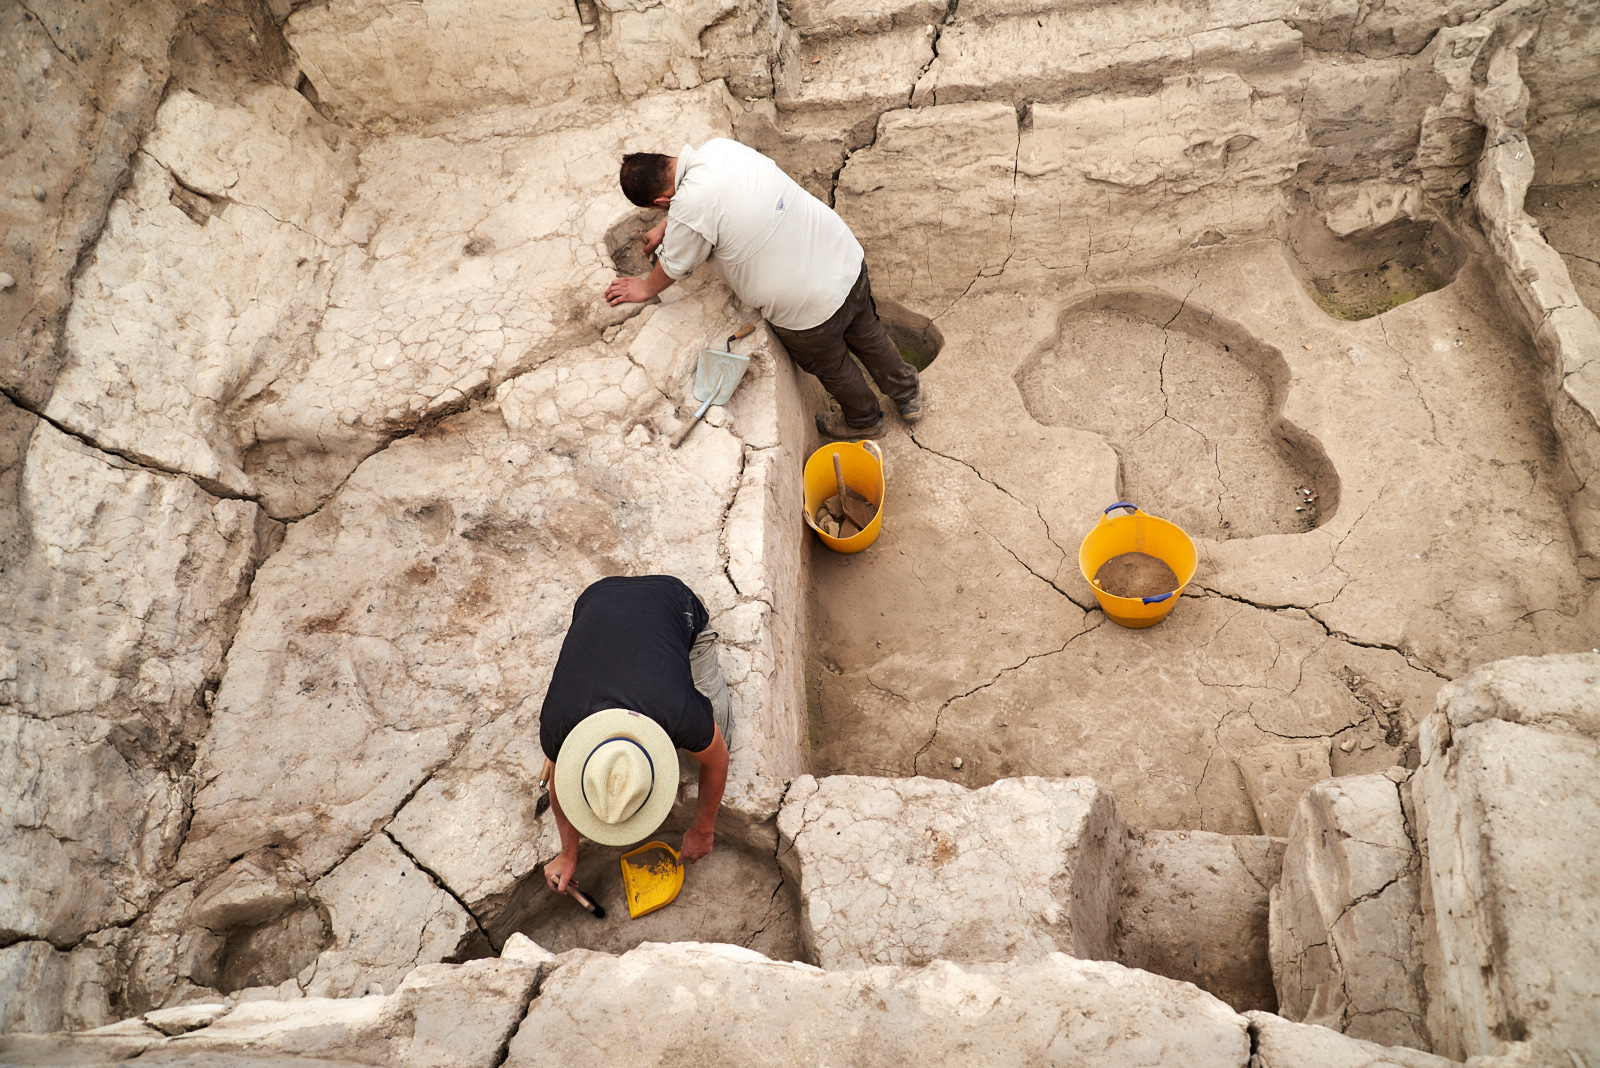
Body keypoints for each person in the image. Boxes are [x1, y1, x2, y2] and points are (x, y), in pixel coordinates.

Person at [604, 140, 922, 440]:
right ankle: (908, 395)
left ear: (662, 202)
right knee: (867, 332)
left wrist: (645, 288)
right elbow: (711, 202)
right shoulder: (718, 149)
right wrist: (668, 226)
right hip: (842, 257)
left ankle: (864, 421)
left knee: (833, 363)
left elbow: (675, 265)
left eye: (663, 210)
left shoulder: (689, 208)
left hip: (807, 305)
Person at [538, 575, 731, 895]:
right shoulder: (557, 728)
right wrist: (567, 852)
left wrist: (703, 829)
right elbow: (560, 782)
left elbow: (719, 759)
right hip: (595, 597)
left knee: (720, 733)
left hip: (672, 600)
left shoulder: (679, 713)